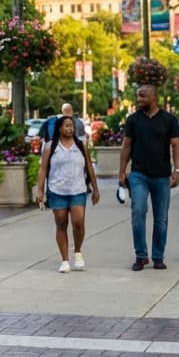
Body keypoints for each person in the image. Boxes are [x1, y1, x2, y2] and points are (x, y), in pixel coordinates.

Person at [119, 84, 179, 271]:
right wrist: (122, 171)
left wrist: (177, 171)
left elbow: (176, 145)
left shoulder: (169, 120)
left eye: (143, 96)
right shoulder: (133, 120)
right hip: (139, 174)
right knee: (138, 211)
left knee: (161, 219)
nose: (139, 99)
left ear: (154, 98)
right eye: (138, 96)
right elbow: (126, 146)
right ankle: (141, 256)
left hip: (162, 176)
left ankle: (158, 256)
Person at [35, 115, 101, 271]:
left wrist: (95, 189)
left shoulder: (80, 145)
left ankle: (77, 252)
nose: (70, 129)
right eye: (66, 126)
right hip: (57, 190)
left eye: (71, 126)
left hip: (78, 190)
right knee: (61, 224)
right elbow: (43, 169)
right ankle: (65, 260)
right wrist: (40, 190)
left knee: (78, 222)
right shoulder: (51, 146)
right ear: (59, 128)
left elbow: (89, 168)